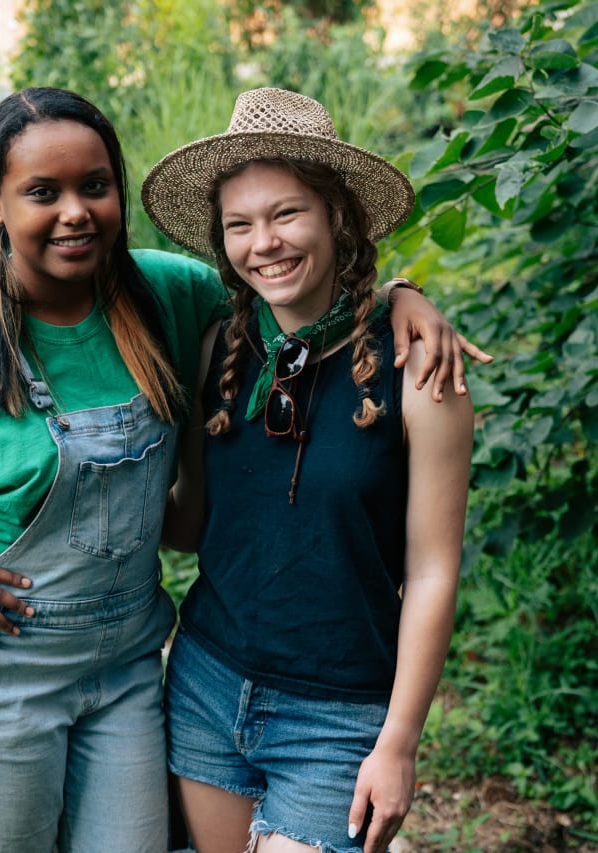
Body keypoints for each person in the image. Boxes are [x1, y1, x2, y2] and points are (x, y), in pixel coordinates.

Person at [0, 87, 477, 853]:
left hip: (126, 673)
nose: (74, 212)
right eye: (42, 192)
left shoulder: (165, 297)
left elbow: (294, 291)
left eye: (95, 186)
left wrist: (400, 296)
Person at [140, 87, 475, 853]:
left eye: (287, 213)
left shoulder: (420, 371)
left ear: (336, 216)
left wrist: (399, 742)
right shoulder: (217, 354)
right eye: (239, 224)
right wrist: (67, 498)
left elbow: (432, 572)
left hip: (339, 715)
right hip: (206, 684)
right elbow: (191, 522)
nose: (265, 242)